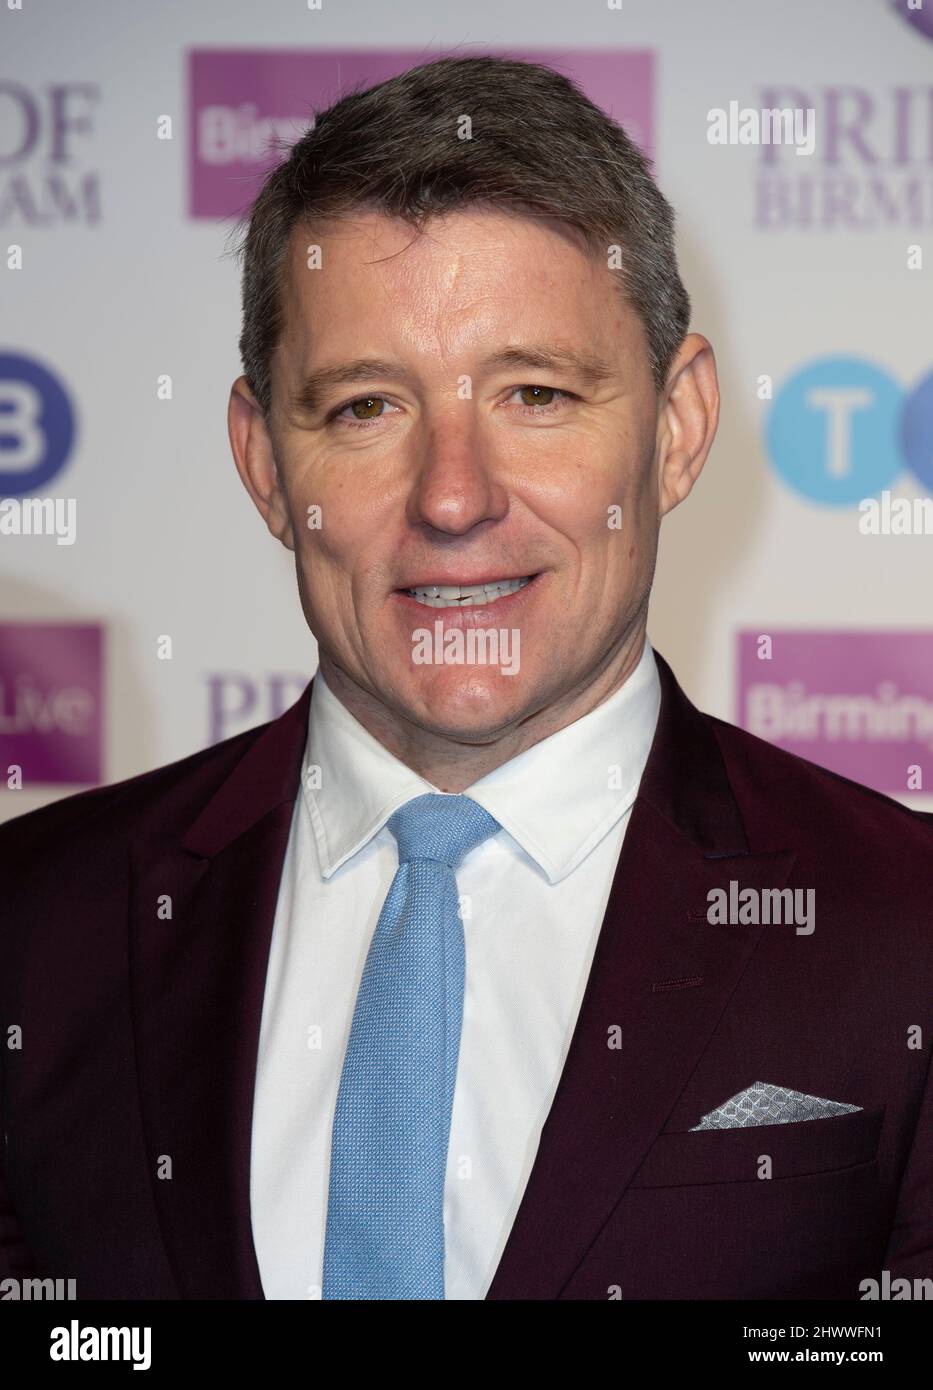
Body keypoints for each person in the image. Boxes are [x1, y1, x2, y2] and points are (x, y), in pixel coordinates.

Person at [1, 55, 931, 1302]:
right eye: (367, 408)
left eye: (536, 395)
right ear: (266, 464)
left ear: (678, 427)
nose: (453, 498)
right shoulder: (33, 930)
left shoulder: (905, 930)